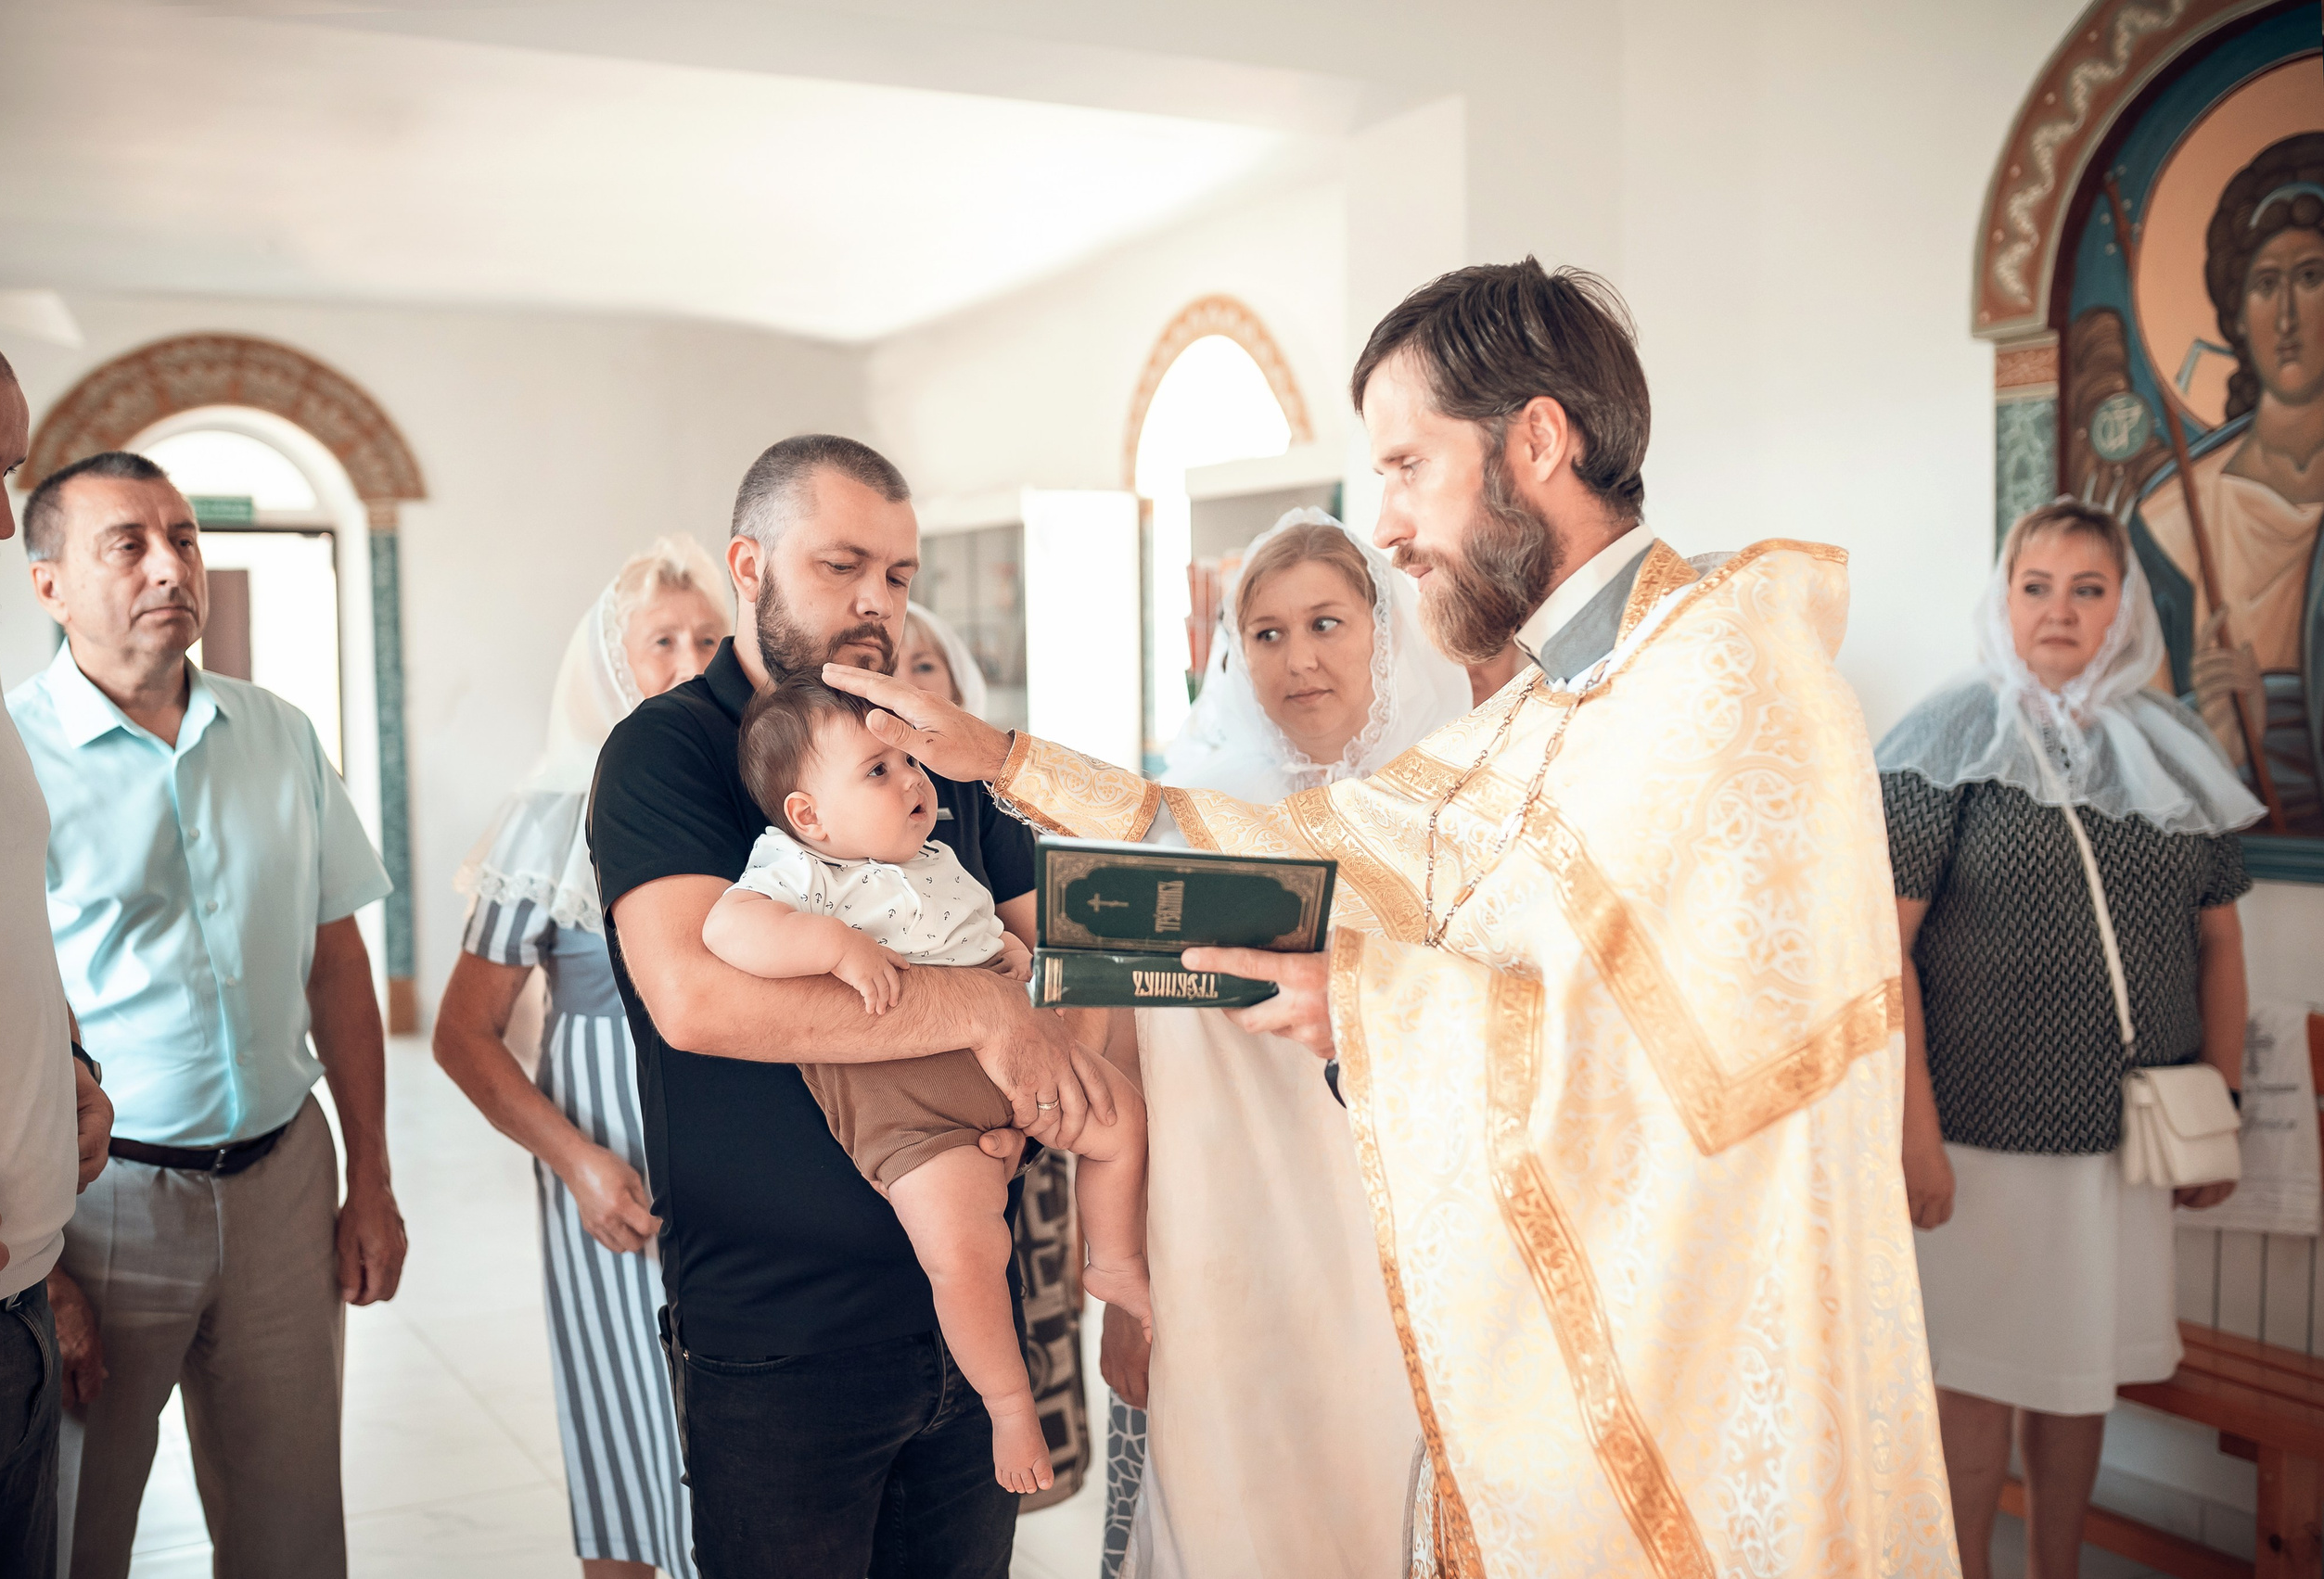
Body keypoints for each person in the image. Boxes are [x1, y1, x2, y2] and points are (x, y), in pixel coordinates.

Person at [826, 256, 1960, 1574]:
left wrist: (1364, 1005)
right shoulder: (1562, 701)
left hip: (1706, 1380)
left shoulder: (1721, 681)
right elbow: (1319, 842)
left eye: (1410, 465)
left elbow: (1732, 1070)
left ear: (1536, 438)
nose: (1392, 521)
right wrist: (1009, 759)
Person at [586, 433, 1113, 1579]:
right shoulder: (665, 751)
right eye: (842, 566)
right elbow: (695, 997)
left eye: (900, 575)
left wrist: (1038, 1071)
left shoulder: (933, 747)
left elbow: (1051, 955)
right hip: (783, 1337)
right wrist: (978, 1012)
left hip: (969, 1302)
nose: (878, 603)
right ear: (750, 562)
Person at [6, 452, 401, 1579]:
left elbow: (337, 959)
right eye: (125, 542)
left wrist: (367, 1176)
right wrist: (45, 1268)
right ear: (49, 586)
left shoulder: (278, 732)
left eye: (182, 537)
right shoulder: (1, 764)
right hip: (101, 1203)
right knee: (76, 1530)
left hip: (284, 1184)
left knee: (290, 1532)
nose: (169, 564)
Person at [1877, 499, 2260, 1579]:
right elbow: (1882, 954)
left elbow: (2220, 945)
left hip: (2121, 1147)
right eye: (2034, 586)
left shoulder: (2174, 745)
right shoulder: (1941, 742)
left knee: (2078, 1378)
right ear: (2002, 602)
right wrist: (1915, 1135)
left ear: (2122, 609)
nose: (2058, 610)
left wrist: (2220, 1106)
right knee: (1973, 1388)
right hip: (1975, 1143)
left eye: (2086, 589)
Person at [1095, 506, 1465, 1579]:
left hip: (1393, 1251)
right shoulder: (1182, 823)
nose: (1298, 658)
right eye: (1264, 632)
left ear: (1382, 632)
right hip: (1221, 1246)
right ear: (1231, 650)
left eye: (1326, 622)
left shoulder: (1445, 821)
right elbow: (1124, 1060)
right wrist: (1125, 1278)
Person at [702, 674, 1149, 1496]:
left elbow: (986, 937)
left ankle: (1114, 1259)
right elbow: (726, 929)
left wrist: (1009, 958)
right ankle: (1011, 1403)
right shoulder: (798, 869)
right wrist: (832, 947)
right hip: (909, 1109)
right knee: (967, 1250)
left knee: (1121, 1120)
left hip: (1005, 1065)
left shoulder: (936, 858)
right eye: (879, 769)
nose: (914, 779)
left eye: (912, 760)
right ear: (809, 814)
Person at [433, 537, 727, 1579]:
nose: (690, 663)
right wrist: (577, 1161)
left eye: (711, 638)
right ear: (612, 662)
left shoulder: (767, 800)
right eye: (661, 642)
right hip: (611, 1176)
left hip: (747, 1173)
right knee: (628, 1441)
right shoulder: (549, 816)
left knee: (749, 1447)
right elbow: (461, 1033)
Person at [0, 313, 115, 1579]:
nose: (0, 521)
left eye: (2, 471)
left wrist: (63, 1055)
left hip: (7, 1308)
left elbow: (2, 903)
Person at [898, 603, 1094, 1509]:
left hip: (1023, 1110)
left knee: (1026, 1280)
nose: (906, 693)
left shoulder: (981, 806)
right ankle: (1006, 1411)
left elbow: (1059, 949)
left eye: (923, 670)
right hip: (924, 1118)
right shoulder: (847, 840)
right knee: (965, 1258)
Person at [2136, 134, 2324, 833]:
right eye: (2265, 283)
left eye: (2310, 277)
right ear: (2236, 312)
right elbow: (2140, 732)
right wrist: (2214, 733)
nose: (2285, 317)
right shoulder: (2172, 513)